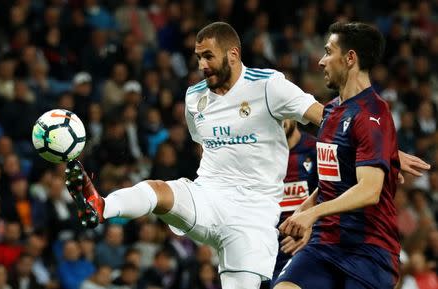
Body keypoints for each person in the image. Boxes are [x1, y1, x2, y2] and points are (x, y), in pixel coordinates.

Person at [64, 22, 428, 289]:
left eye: (208, 56)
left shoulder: (269, 84)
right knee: (159, 190)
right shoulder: (194, 98)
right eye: (197, 58)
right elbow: (337, 123)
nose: (202, 64)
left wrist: (389, 152)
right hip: (210, 194)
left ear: (232, 54)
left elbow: (330, 120)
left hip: (254, 215)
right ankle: (101, 206)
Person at [274, 22, 405, 289]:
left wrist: (312, 214)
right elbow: (332, 179)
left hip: (368, 250)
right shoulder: (331, 112)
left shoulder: (373, 113)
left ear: (350, 58)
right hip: (324, 244)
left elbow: (369, 190)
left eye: (328, 52)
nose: (321, 61)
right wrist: (305, 208)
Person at [270, 120, 318, 289]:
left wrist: (312, 231)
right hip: (268, 249)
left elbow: (332, 196)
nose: (280, 121)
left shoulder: (315, 149)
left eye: (283, 113)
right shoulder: (262, 155)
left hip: (305, 247)